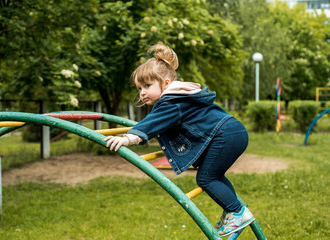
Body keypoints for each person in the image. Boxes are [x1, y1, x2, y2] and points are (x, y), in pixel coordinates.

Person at [105, 43, 255, 236]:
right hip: (233, 131)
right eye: (139, 88)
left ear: (166, 84)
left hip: (225, 134)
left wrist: (128, 139)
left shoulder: (171, 102)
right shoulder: (179, 98)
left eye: (147, 86)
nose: (142, 92)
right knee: (213, 175)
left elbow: (151, 123)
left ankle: (237, 212)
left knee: (206, 178)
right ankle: (233, 212)